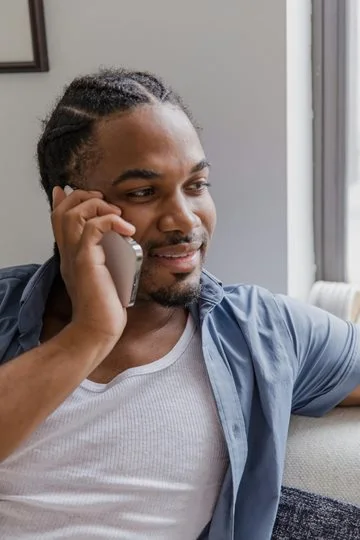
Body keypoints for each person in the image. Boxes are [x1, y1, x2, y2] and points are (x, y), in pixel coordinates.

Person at [0, 68, 359, 540]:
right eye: (143, 192)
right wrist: (90, 333)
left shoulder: (261, 331)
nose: (184, 219)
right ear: (69, 207)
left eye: (196, 185)